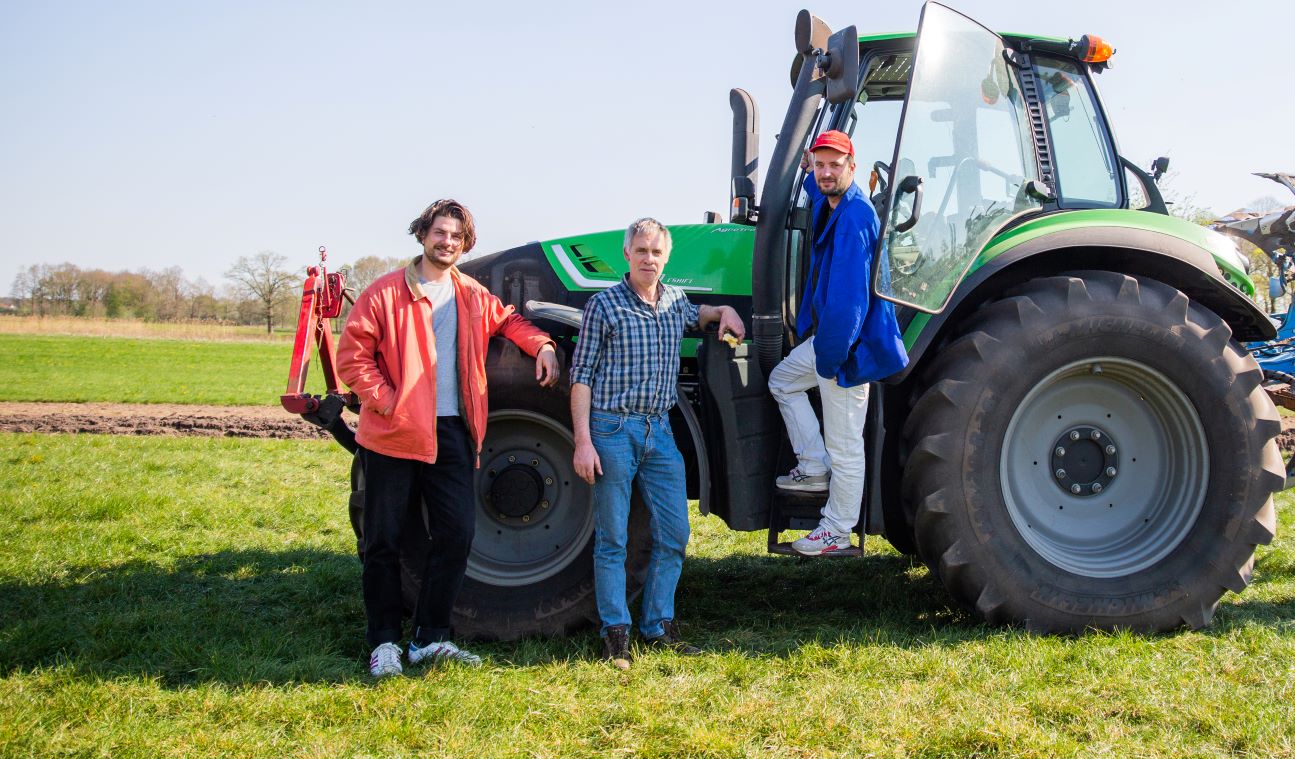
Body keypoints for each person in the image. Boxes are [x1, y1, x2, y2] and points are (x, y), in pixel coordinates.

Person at [336, 198, 560, 679]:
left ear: (465, 243)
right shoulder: (385, 293)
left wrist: (541, 345)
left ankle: (430, 638)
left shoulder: (470, 294)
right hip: (394, 436)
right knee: (384, 542)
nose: (448, 243)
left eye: (457, 237)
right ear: (423, 235)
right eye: (440, 233)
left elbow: (508, 320)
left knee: (457, 535)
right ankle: (384, 643)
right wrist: (388, 401)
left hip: (454, 431)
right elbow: (353, 356)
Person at [569, 217, 744, 670]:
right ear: (626, 255)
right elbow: (582, 376)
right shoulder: (604, 306)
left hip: (659, 432)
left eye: (656, 252)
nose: (649, 259)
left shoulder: (674, 301)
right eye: (641, 251)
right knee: (613, 537)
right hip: (612, 430)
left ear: (667, 258)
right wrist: (583, 441)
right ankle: (616, 635)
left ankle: (657, 625)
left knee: (676, 534)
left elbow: (700, 316)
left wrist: (724, 311)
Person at [770, 129, 909, 556]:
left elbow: (849, 302)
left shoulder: (853, 219)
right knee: (783, 381)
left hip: (848, 348)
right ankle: (812, 466)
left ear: (854, 167)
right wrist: (799, 157)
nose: (826, 172)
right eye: (820, 163)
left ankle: (836, 529)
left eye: (836, 164)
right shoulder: (830, 201)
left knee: (846, 445)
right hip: (829, 340)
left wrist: (832, 361)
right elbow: (816, 187)